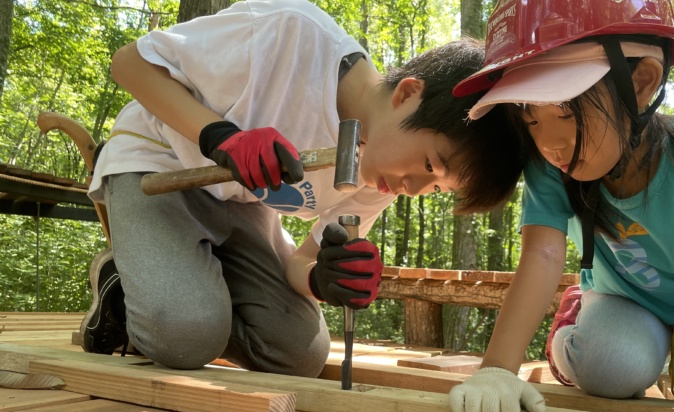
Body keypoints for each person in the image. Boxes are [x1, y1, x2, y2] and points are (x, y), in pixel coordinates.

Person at [80, 0, 523, 377]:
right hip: (158, 168)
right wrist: (221, 136)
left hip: (242, 203)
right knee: (186, 336)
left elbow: (303, 262)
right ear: (408, 94)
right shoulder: (290, 35)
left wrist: (321, 278)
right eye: (430, 163)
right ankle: (125, 285)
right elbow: (130, 63)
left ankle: (178, 287)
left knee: (300, 353)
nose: (412, 186)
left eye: (436, 188)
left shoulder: (384, 176)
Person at [448, 0, 674, 412]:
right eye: (531, 119)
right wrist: (496, 371)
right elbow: (544, 252)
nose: (549, 142)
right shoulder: (550, 167)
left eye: (566, 112)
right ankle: (573, 325)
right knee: (608, 368)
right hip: (625, 300)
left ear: (642, 81)